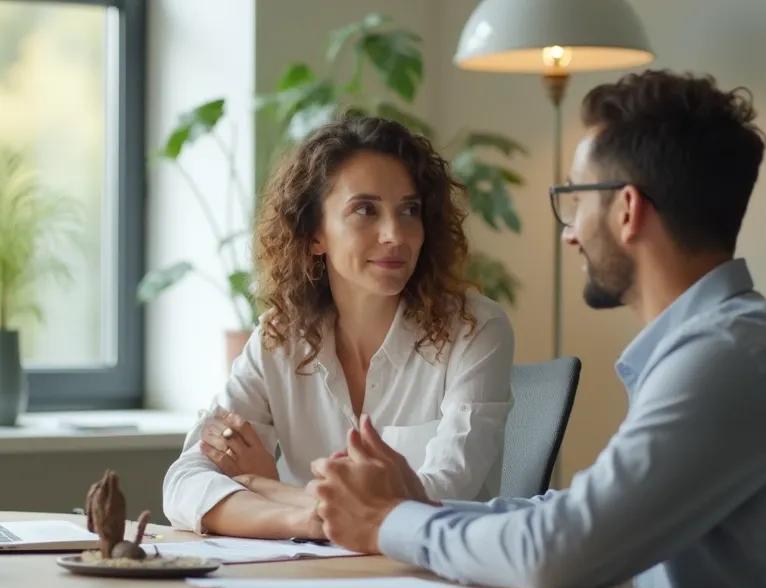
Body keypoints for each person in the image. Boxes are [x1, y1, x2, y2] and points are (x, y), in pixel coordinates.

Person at [309, 71, 766, 588]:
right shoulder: (716, 345)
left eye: (574, 198)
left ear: (626, 210)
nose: (569, 234)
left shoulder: (728, 357)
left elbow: (557, 552)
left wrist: (389, 521)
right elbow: (575, 516)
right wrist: (422, 508)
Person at [161, 116, 515, 539]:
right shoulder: (280, 338)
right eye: (365, 210)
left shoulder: (475, 330)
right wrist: (300, 519)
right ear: (315, 235)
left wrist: (265, 486)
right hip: (305, 585)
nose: (394, 235)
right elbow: (183, 483)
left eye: (409, 211)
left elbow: (432, 501)